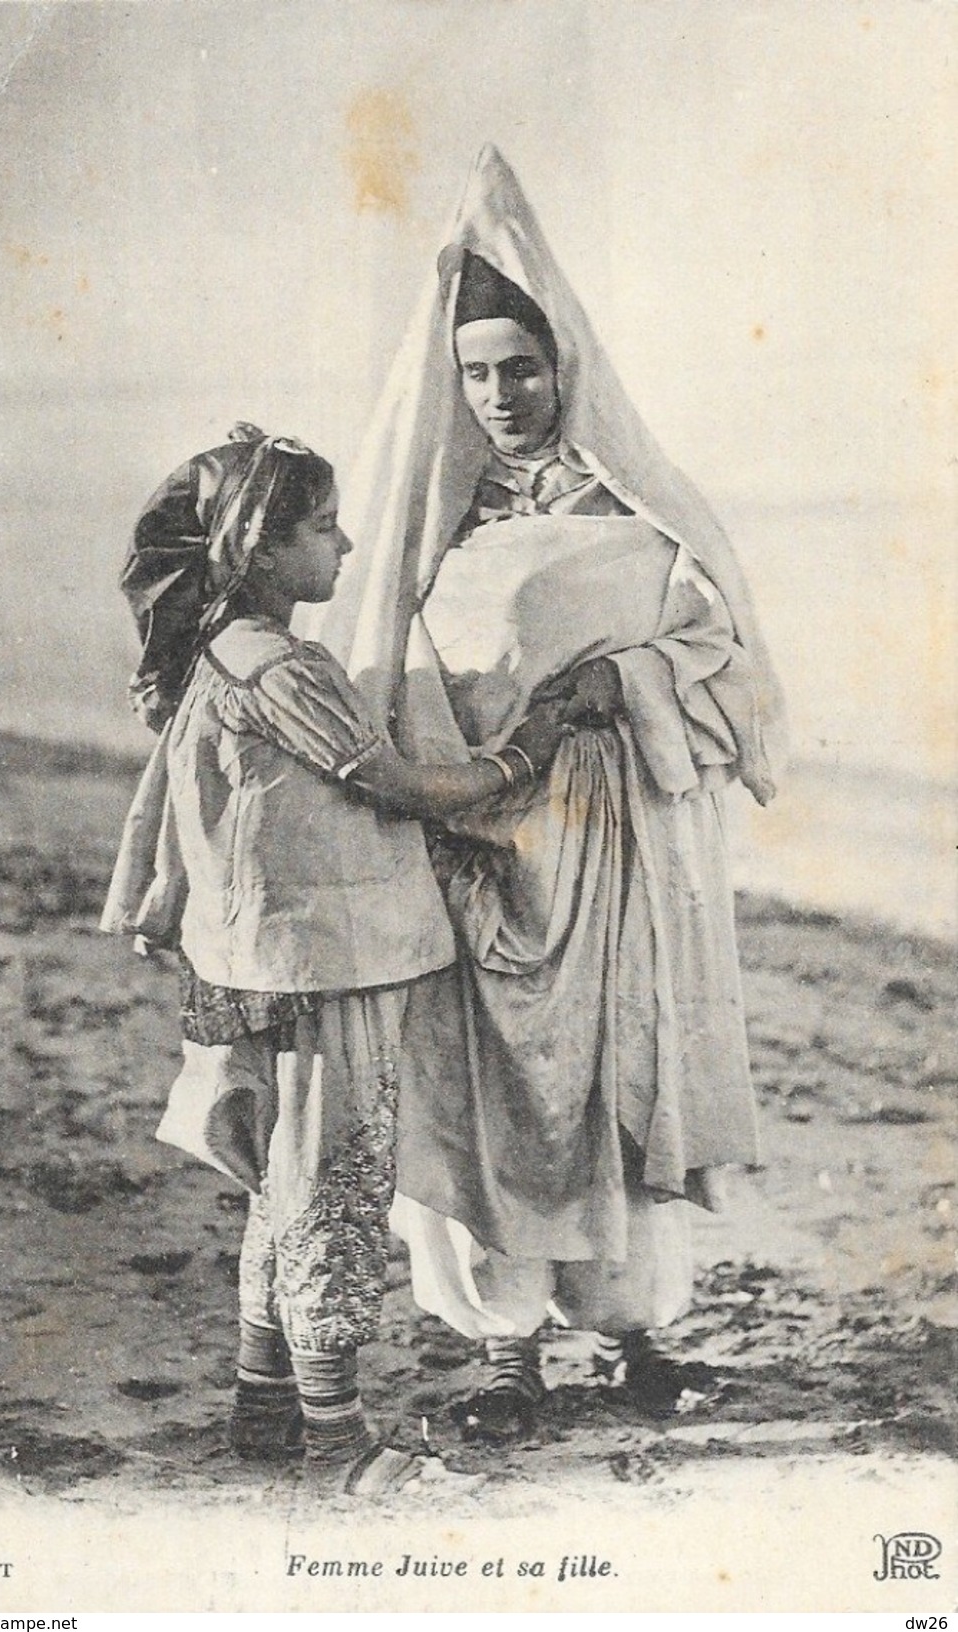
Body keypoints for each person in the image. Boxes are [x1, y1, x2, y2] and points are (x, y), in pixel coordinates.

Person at [311, 147, 788, 1438]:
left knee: (611, 1077)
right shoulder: (430, 519)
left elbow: (722, 661)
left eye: (522, 367)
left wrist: (615, 685)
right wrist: (440, 771)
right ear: (451, 384)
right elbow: (377, 664)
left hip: (611, 841)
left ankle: (635, 1337)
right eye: (476, 372)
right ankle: (505, 1354)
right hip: (471, 845)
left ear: (563, 366)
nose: (502, 394)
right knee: (483, 1087)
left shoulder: (642, 509)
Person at [101, 423, 568, 1495]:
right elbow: (399, 785)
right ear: (261, 549)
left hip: (250, 956)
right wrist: (524, 751)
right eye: (323, 527)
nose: (349, 545)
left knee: (283, 1179)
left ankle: (265, 1403)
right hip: (324, 968)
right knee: (337, 1189)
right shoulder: (285, 666)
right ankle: (338, 1439)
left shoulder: (217, 650)